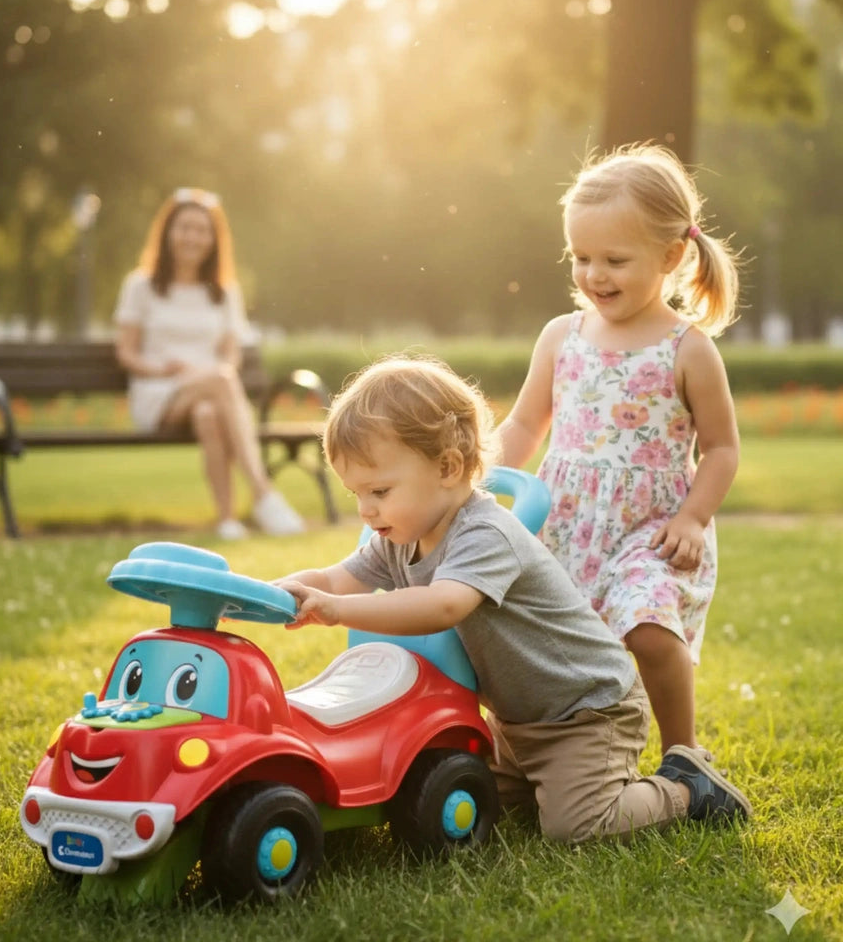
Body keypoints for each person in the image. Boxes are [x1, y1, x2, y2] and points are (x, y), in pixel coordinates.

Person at [276, 355, 750, 843]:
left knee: (576, 826)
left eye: (379, 489)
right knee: (459, 796)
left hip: (586, 709)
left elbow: (443, 605)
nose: (366, 509)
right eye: (355, 493)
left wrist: (335, 612)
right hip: (518, 720)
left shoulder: (485, 533)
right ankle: (537, 777)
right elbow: (335, 579)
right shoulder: (399, 536)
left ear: (447, 467)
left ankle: (687, 789)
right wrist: (275, 593)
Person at [496, 143, 742, 757]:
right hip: (569, 523)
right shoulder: (562, 337)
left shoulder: (688, 348)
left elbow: (722, 448)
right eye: (580, 257)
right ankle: (537, 747)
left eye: (614, 259)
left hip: (653, 529)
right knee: (540, 640)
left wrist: (693, 517)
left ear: (671, 255)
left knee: (652, 628)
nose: (594, 275)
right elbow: (527, 422)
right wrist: (488, 479)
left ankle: (683, 754)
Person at [114, 187, 305, 540]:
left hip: (210, 390)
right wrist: (163, 369)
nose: (192, 237)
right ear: (168, 232)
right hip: (159, 394)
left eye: (201, 230)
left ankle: (227, 520)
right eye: (184, 227)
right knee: (220, 382)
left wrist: (211, 375)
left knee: (208, 413)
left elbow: (230, 356)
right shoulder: (140, 286)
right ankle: (264, 494)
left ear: (214, 239)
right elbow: (125, 353)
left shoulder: (225, 291)